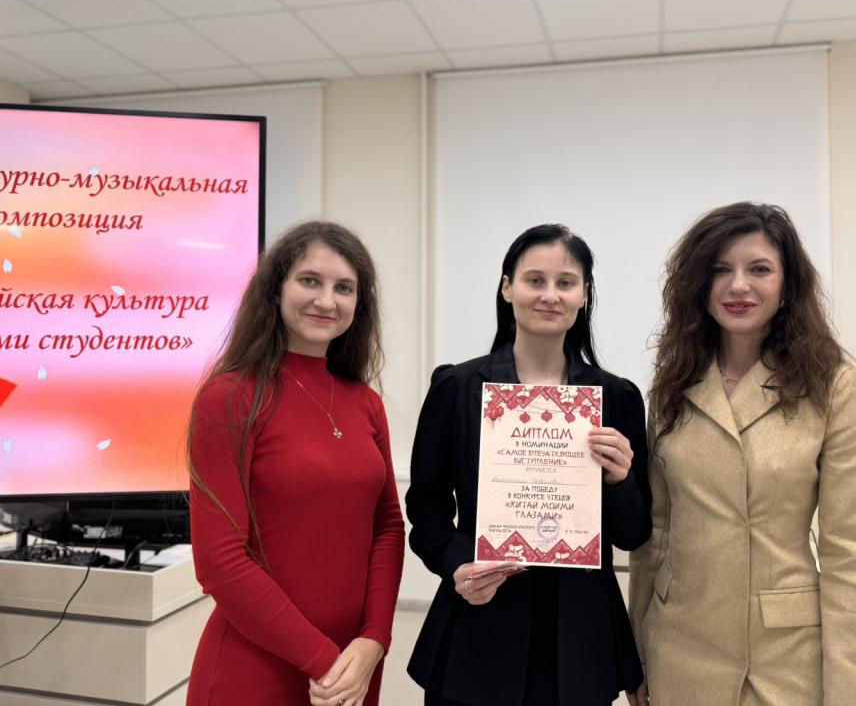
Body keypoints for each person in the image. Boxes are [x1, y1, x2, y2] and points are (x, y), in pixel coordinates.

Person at [629, 202, 856, 706]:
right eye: (720, 270)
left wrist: (852, 693)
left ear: (788, 285)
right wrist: (636, 656)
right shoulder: (673, 384)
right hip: (679, 651)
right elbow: (656, 535)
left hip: (783, 661)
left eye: (760, 269)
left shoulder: (832, 386)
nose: (738, 286)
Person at [406, 224, 652, 706]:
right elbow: (426, 510)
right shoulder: (457, 389)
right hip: (478, 632)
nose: (550, 295)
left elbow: (634, 533)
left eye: (566, 283)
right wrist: (459, 562)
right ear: (507, 288)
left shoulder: (617, 398)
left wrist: (620, 480)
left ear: (584, 295)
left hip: (581, 641)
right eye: (534, 280)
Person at [186, 221, 404, 706]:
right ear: (276, 289)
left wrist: (374, 641)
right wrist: (323, 661)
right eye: (309, 280)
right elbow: (220, 563)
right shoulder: (229, 397)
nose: (326, 301)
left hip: (352, 670)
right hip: (258, 670)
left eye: (344, 288)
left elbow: (388, 526)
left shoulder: (366, 403)